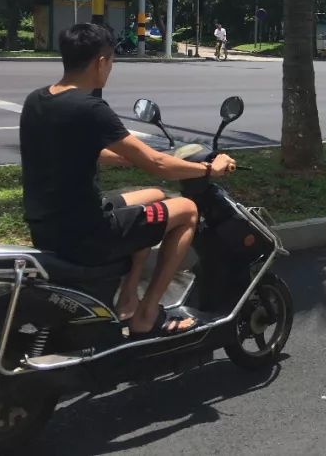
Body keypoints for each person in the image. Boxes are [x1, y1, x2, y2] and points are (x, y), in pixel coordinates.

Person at [20, 23, 237, 339]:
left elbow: (72, 150)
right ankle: (147, 314)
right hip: (88, 234)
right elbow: (159, 164)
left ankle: (128, 298)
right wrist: (210, 170)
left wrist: (125, 156)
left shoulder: (37, 100)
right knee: (187, 210)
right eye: (111, 62)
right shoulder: (91, 108)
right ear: (101, 62)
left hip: (47, 226)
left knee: (152, 196)